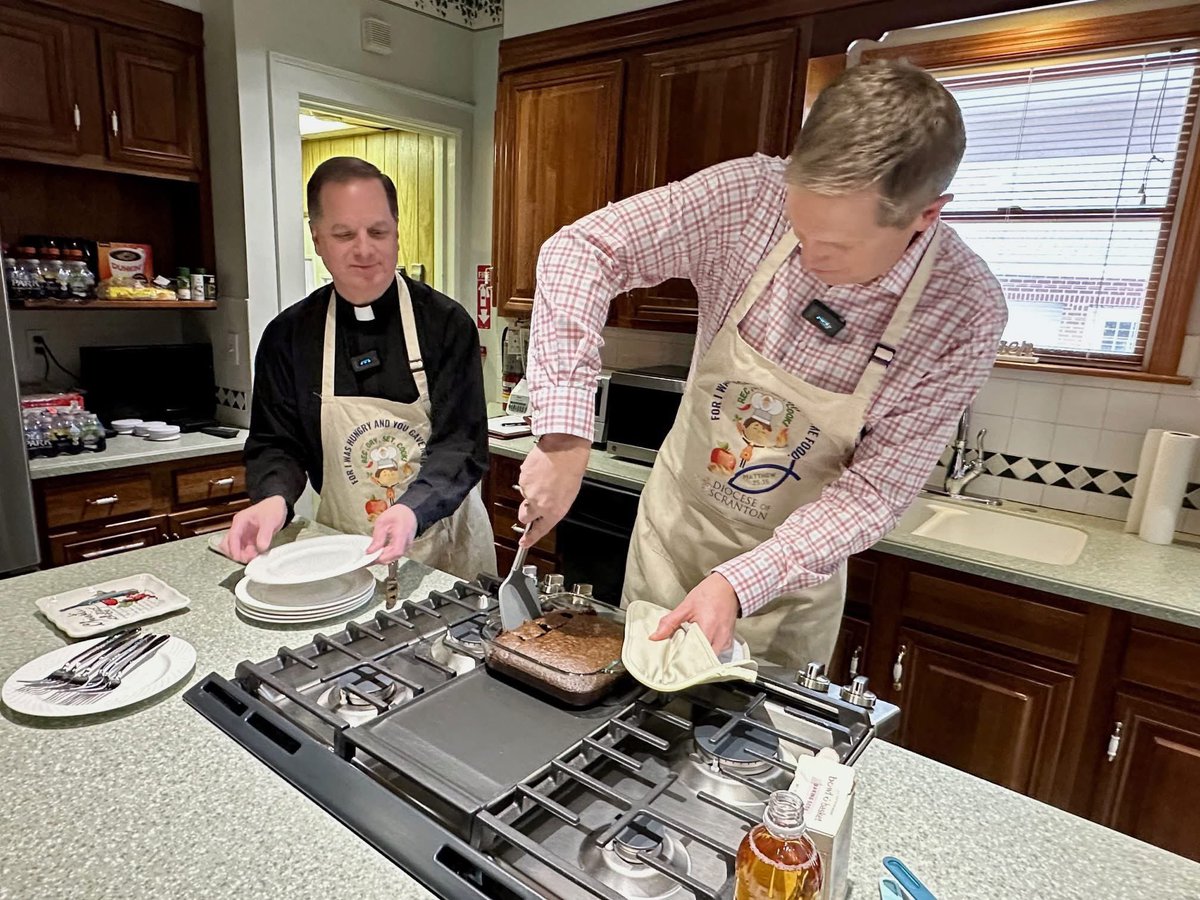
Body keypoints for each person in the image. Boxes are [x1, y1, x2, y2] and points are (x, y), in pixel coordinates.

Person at [517, 61, 1007, 668]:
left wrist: (739, 582)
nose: (808, 255)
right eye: (800, 227)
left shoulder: (964, 312)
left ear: (925, 215)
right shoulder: (751, 196)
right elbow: (581, 249)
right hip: (673, 538)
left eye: (836, 245)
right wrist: (564, 436)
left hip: (785, 588)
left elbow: (874, 492)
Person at [222, 156, 495, 580]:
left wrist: (412, 509)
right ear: (317, 239)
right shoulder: (289, 336)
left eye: (378, 232)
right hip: (343, 548)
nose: (365, 249)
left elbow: (460, 444)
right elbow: (277, 442)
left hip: (445, 550)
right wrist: (272, 499)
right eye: (345, 234)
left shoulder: (445, 324)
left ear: (397, 233)